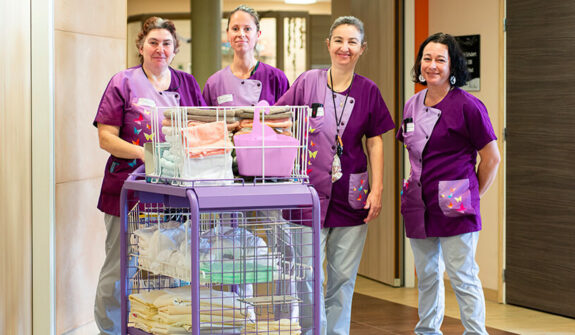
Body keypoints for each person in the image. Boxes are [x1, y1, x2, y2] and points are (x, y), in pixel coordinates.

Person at [275, 16, 395, 335]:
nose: (345, 48)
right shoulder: (307, 82)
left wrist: (377, 189)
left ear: (362, 49)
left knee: (342, 278)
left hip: (350, 196)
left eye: (352, 42)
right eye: (339, 40)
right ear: (328, 44)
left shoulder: (369, 91)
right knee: (305, 276)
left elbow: (375, 141)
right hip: (306, 194)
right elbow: (281, 117)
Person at [93, 17, 205, 334]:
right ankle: (112, 329)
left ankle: (164, 327)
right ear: (141, 46)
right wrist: (146, 154)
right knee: (121, 268)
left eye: (167, 43)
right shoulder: (123, 82)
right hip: (128, 191)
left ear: (175, 49)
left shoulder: (188, 84)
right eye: (153, 42)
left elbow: (202, 129)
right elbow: (106, 138)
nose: (160, 49)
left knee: (173, 266)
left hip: (178, 195)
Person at [397, 32, 500, 335]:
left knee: (462, 276)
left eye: (440, 60)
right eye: (427, 59)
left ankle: (475, 332)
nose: (432, 65)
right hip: (419, 203)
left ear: (452, 65)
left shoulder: (469, 106)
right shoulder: (412, 104)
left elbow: (491, 159)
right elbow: (412, 150)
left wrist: (471, 194)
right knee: (427, 275)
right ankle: (427, 331)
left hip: (457, 204)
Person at [202, 4, 289, 106]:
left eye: (247, 29)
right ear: (228, 34)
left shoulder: (277, 78)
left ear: (258, 35)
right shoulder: (214, 83)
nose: (241, 34)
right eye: (235, 29)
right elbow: (205, 120)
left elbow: (287, 118)